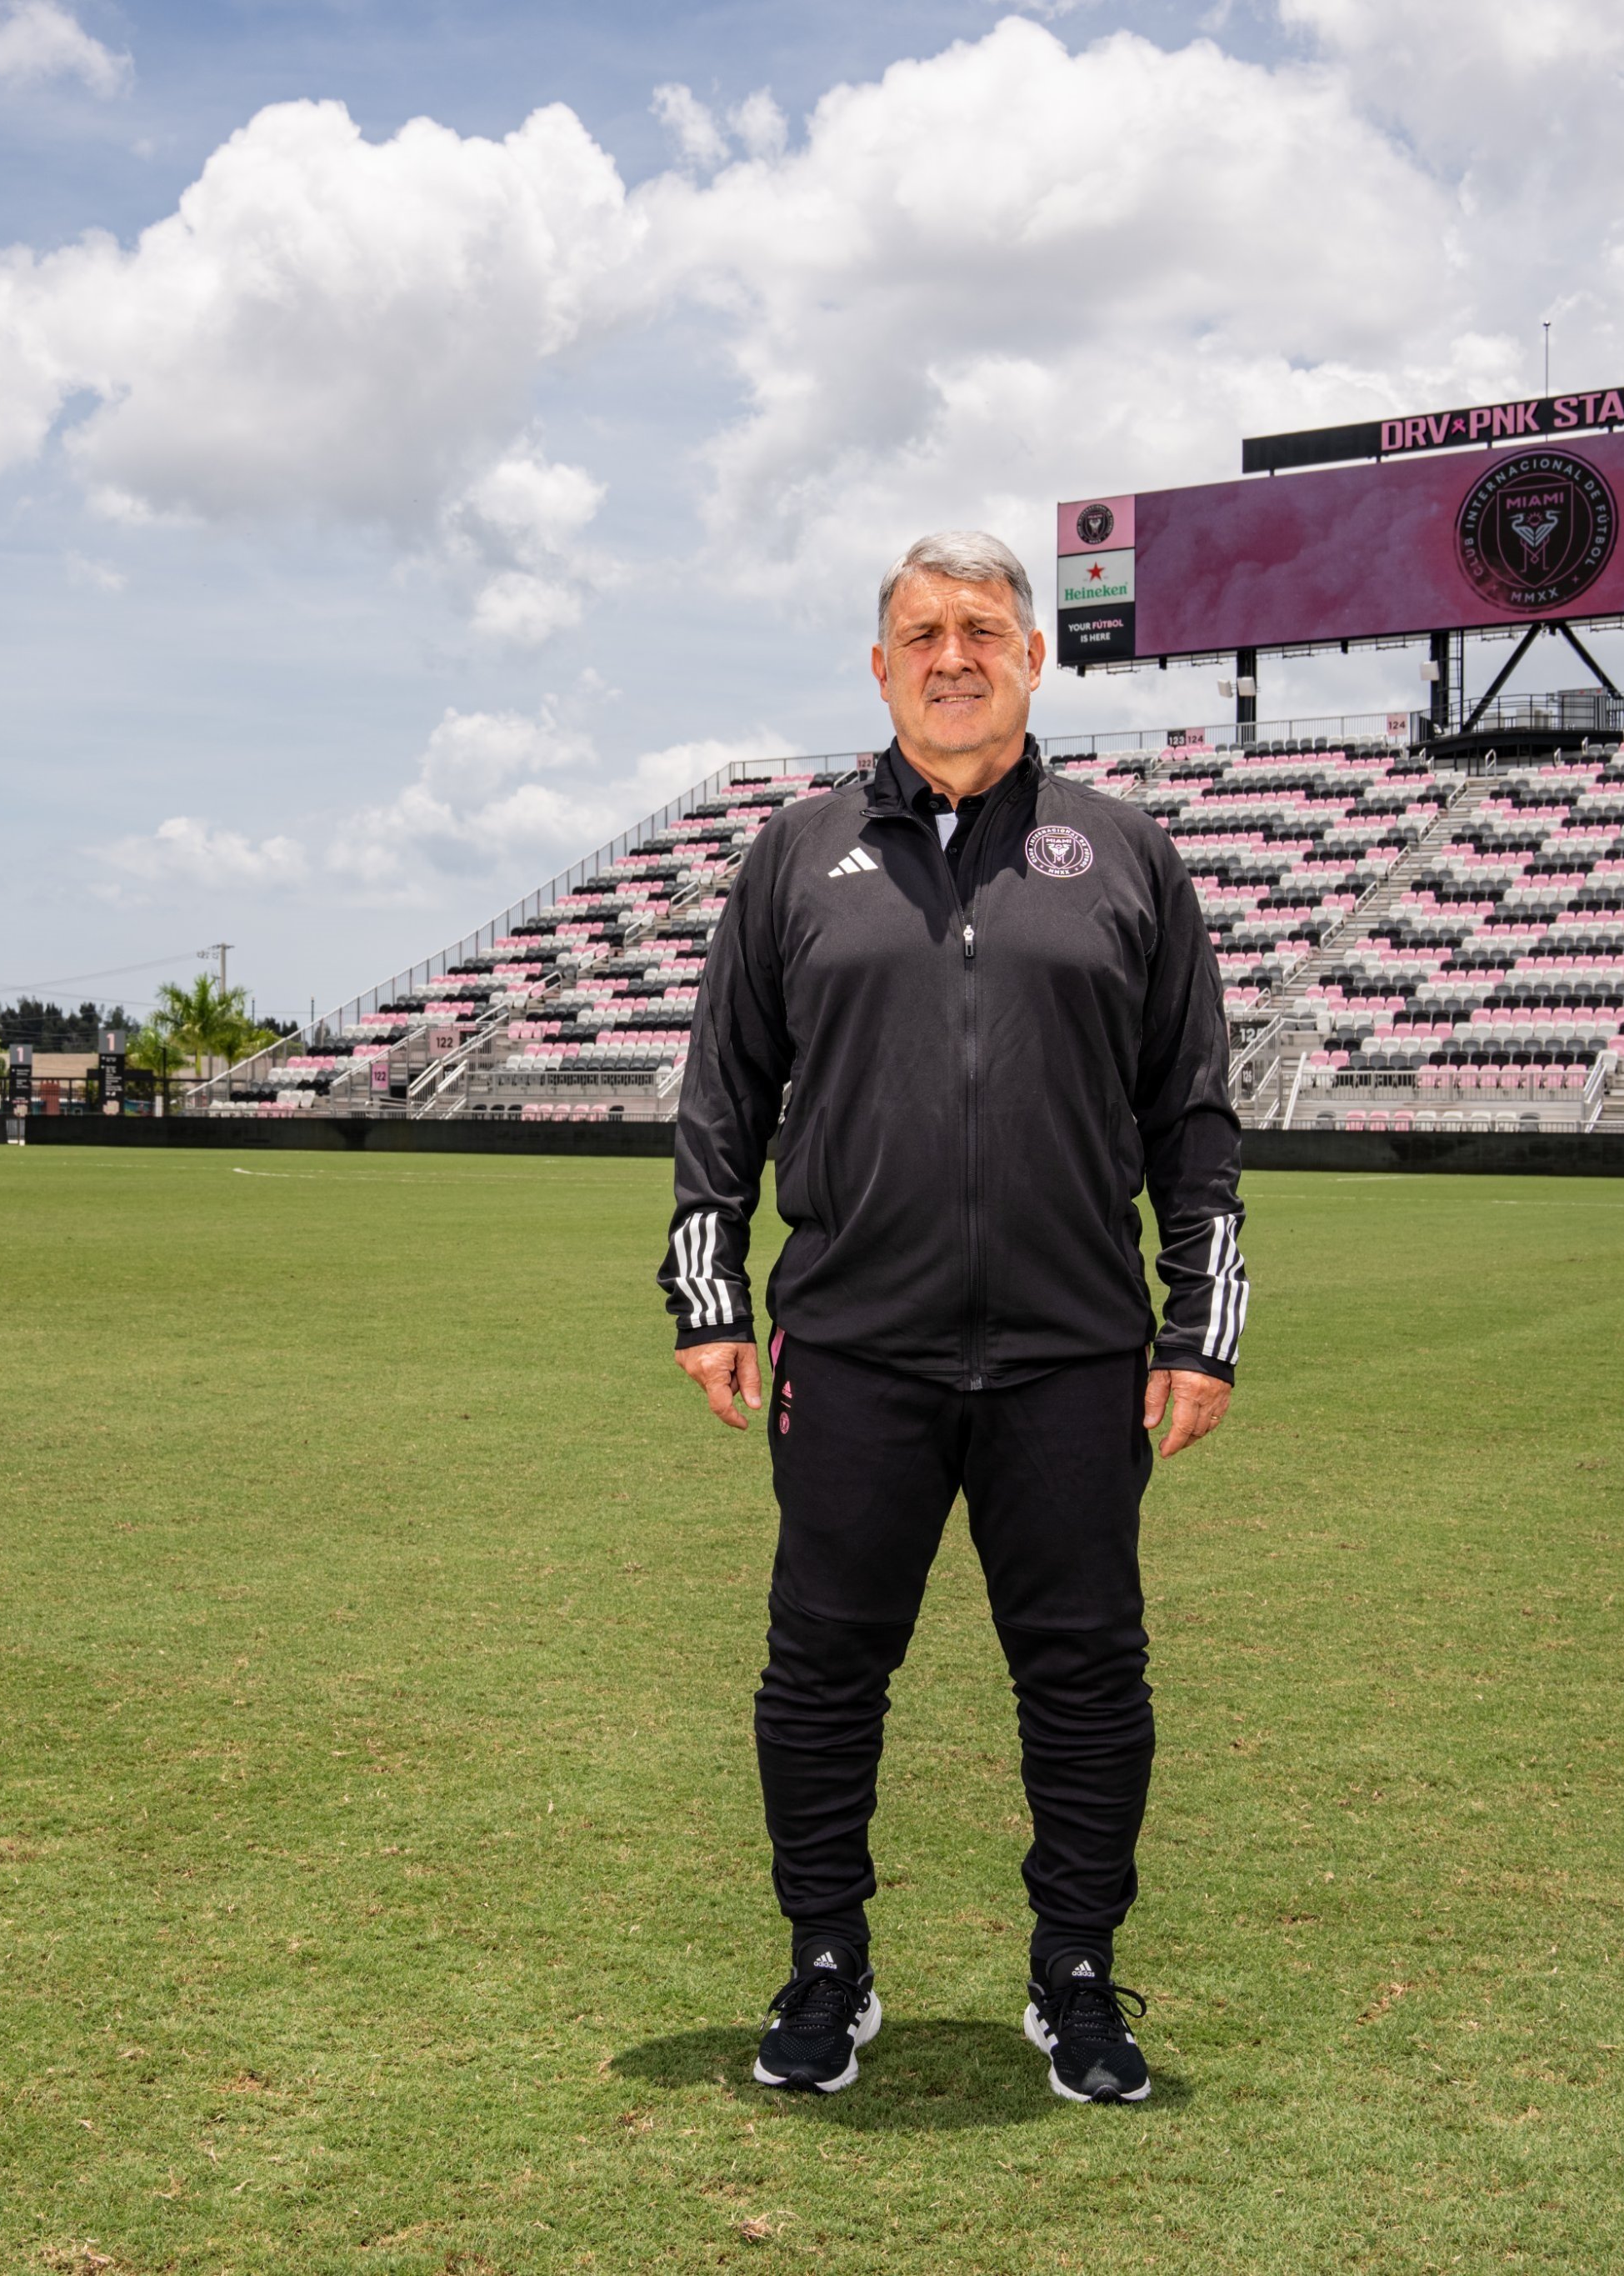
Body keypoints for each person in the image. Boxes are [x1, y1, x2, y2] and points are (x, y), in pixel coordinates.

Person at [658, 528, 1246, 2103]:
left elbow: (1193, 1113)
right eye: (920, 630)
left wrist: (1202, 1323)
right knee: (821, 1677)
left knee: (1086, 1679)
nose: (952, 653)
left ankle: (1077, 1978)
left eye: (983, 626)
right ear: (879, 665)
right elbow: (724, 1099)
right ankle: (825, 1966)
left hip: (1071, 1355)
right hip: (854, 1351)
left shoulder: (1124, 854)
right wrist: (706, 1291)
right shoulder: (795, 857)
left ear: (1035, 657)